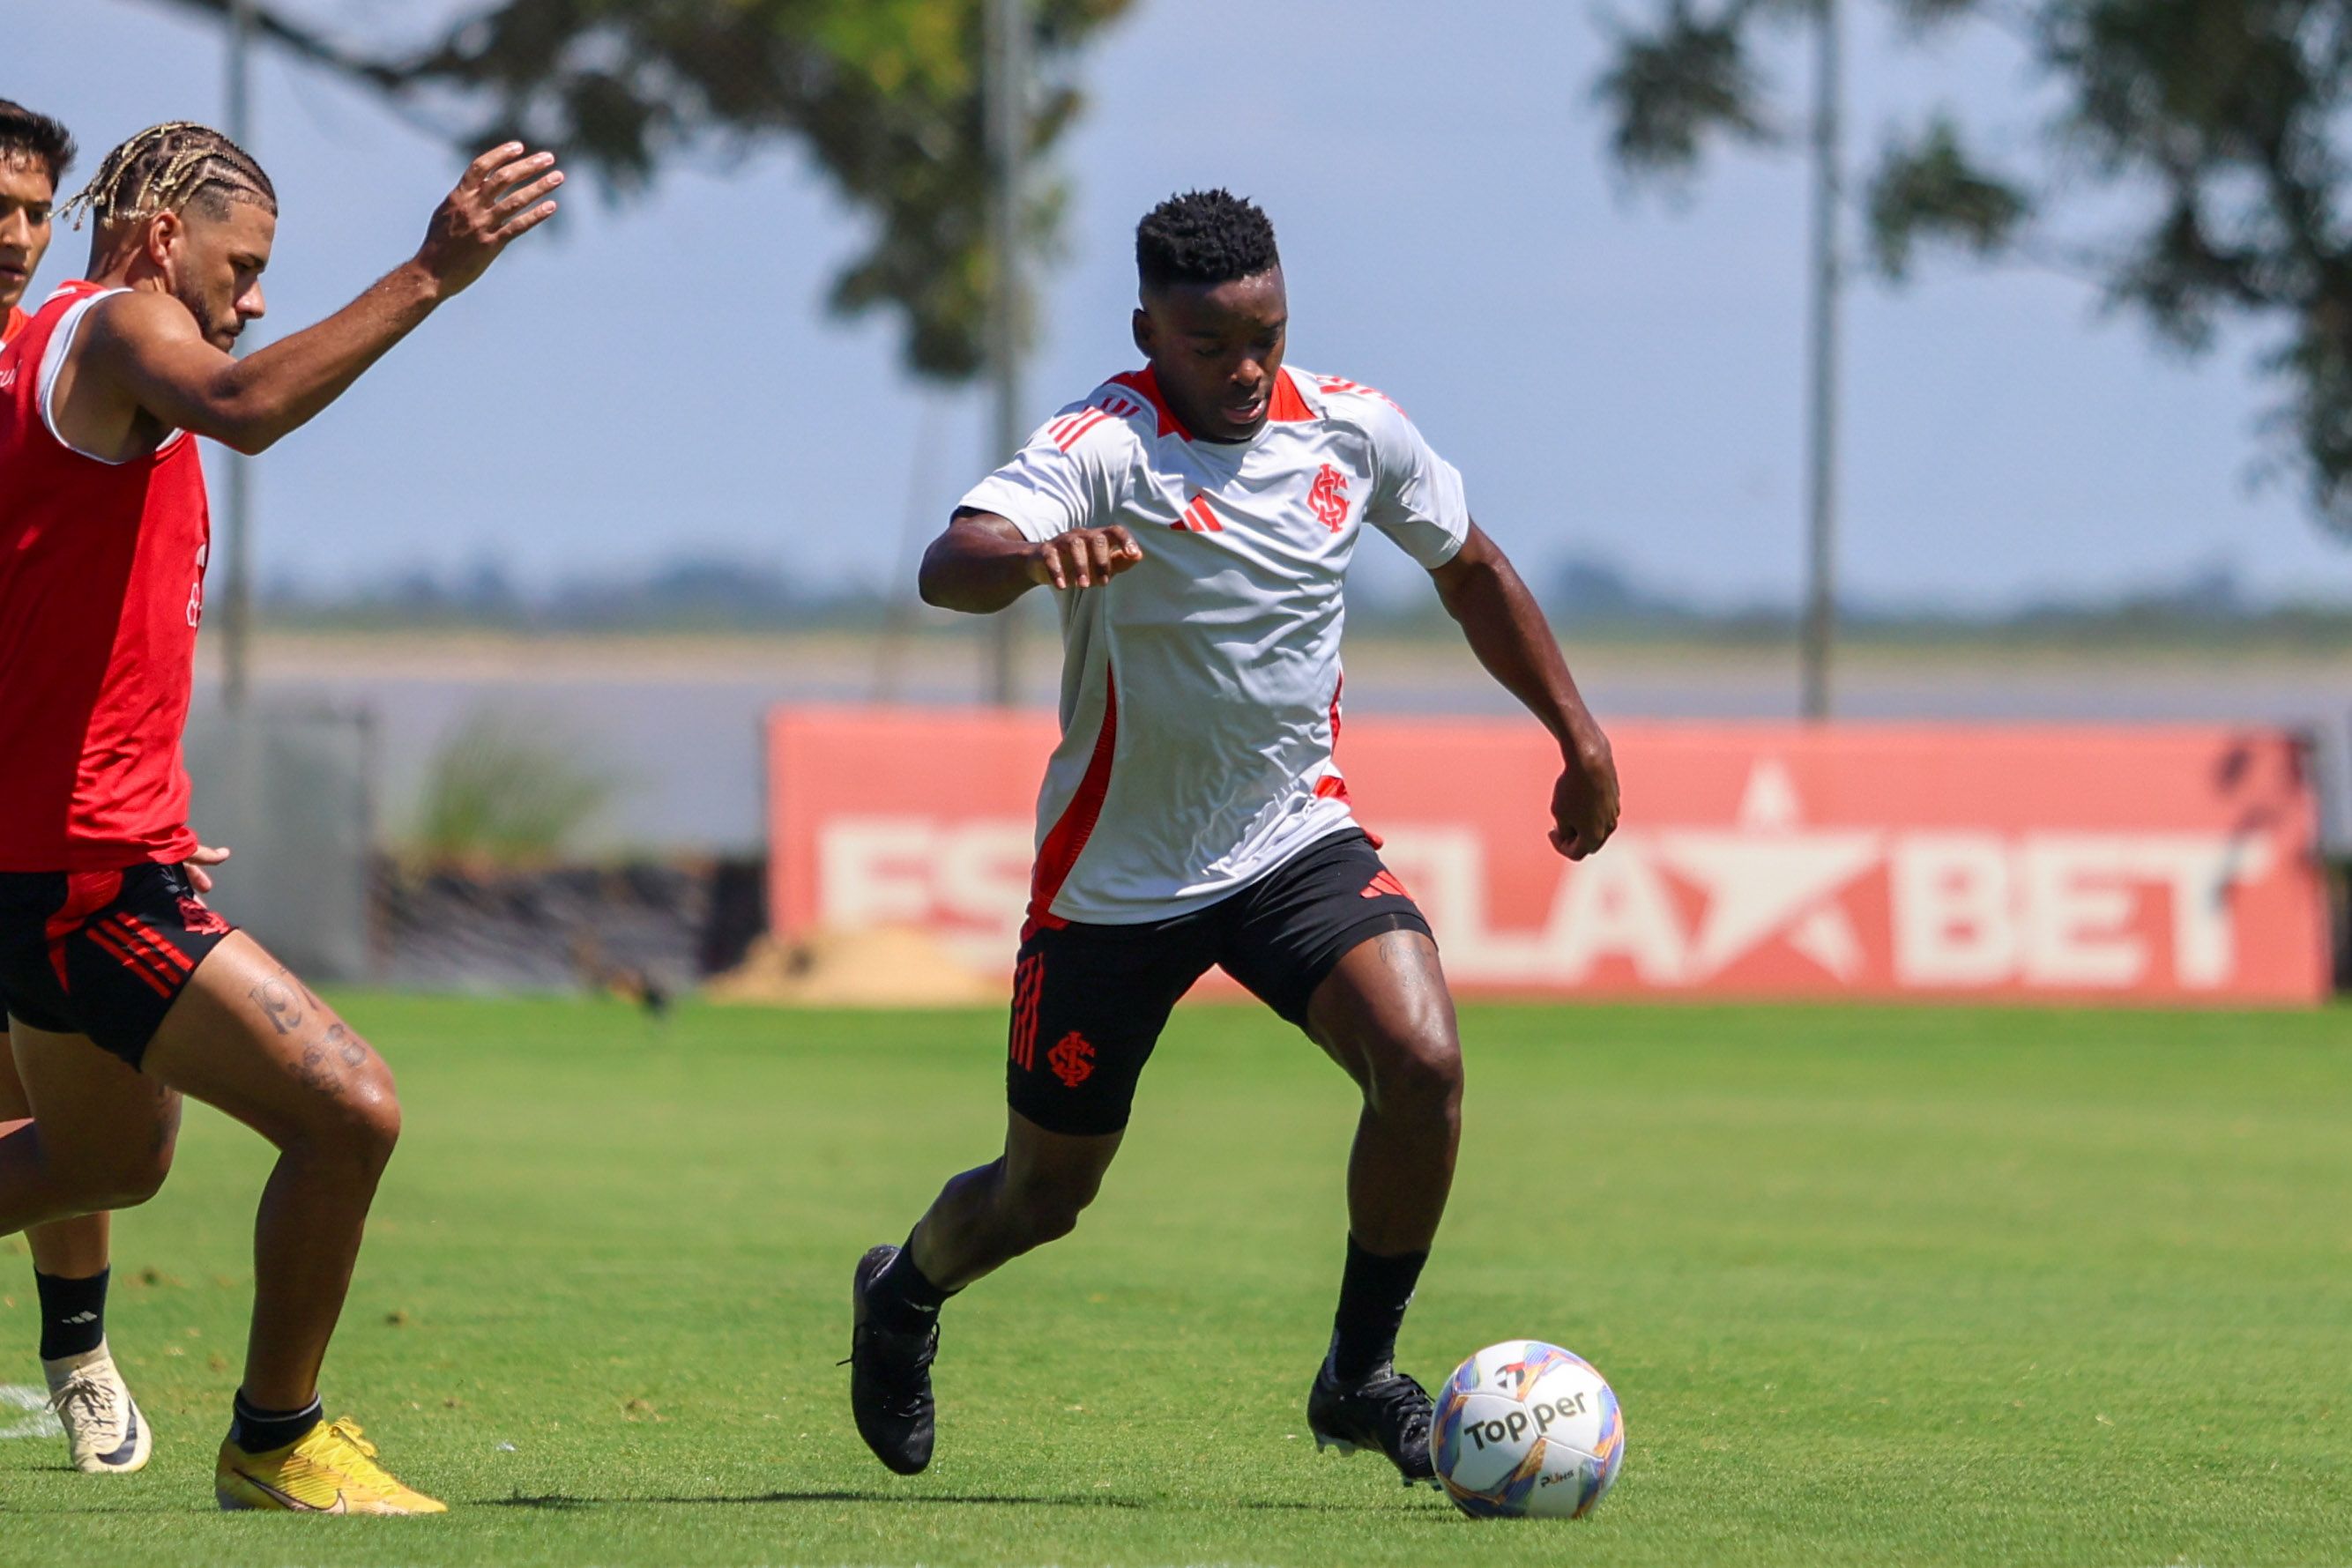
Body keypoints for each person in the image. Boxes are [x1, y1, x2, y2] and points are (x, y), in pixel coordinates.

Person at [845, 189, 1621, 1486]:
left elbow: (1469, 567)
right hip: (1115, 884)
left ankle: (1358, 1373)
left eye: (1267, 334)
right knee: (1045, 1200)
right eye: (1213, 347)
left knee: (1423, 1067)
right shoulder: (1103, 443)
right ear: (1151, 328)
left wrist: (1578, 731)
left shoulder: (1353, 429)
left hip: (1289, 844)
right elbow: (954, 559)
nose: (1248, 368)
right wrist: (1037, 562)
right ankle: (904, 1294)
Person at [0, 121, 560, 1513]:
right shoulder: (123, 324)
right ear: (158, 237)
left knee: (107, 1159)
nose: (250, 301)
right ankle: (275, 1435)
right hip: (81, 873)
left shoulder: (37, 356)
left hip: (73, 848)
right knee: (348, 1110)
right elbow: (245, 401)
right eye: (242, 268)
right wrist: (429, 272)